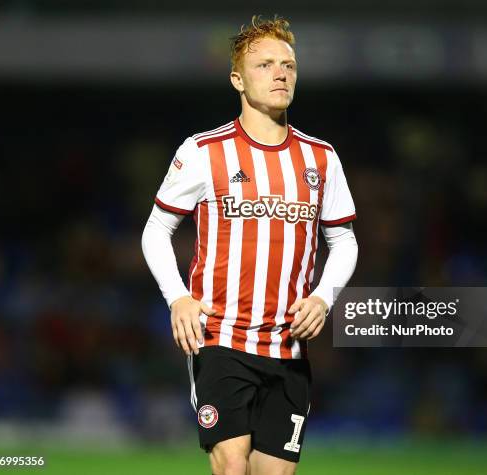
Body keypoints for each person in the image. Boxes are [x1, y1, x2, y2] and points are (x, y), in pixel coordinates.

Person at [141, 15, 358, 475]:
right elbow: (156, 229)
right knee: (232, 466)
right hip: (220, 338)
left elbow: (343, 239)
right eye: (265, 65)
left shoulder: (321, 157)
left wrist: (324, 296)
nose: (280, 73)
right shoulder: (204, 151)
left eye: (288, 65)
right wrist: (178, 297)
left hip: (289, 348)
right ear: (237, 79)